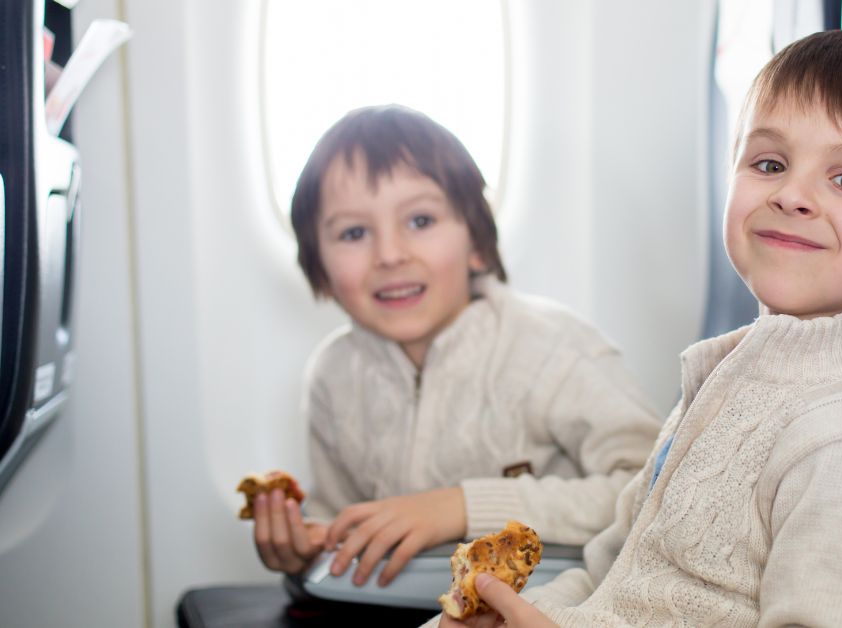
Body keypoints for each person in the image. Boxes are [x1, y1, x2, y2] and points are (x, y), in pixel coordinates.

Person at [432, 29, 842, 627]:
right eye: (769, 164)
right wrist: (517, 614)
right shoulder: (725, 379)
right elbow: (608, 572)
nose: (792, 194)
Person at [249, 105, 663, 590]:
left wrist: (462, 507)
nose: (390, 254)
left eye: (420, 220)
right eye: (354, 233)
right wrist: (305, 545)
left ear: (477, 243)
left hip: (549, 604)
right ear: (319, 267)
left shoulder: (553, 347)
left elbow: (650, 489)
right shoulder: (334, 374)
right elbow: (345, 516)